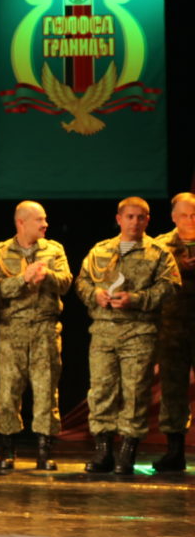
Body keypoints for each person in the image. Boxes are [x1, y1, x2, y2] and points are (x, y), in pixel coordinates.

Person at [77, 197, 181, 475]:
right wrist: (94, 294)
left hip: (139, 331)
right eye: (130, 217)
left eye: (140, 217)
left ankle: (127, 452)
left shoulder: (158, 253)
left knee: (135, 393)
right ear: (119, 219)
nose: (135, 222)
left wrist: (136, 299)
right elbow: (82, 281)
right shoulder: (100, 250)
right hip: (103, 331)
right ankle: (103, 452)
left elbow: (170, 286)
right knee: (101, 391)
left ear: (148, 220)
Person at [0, 201, 72, 470]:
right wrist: (23, 279)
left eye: (45, 219)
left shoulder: (54, 250)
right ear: (21, 222)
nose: (45, 224)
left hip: (45, 328)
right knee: (8, 391)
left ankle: (44, 450)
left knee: (47, 390)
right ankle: (7, 449)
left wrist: (46, 275)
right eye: (39, 220)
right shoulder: (0, 252)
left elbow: (66, 282)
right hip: (12, 329)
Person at [153, 193, 195, 472]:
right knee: (173, 389)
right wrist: (179, 267)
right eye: (184, 215)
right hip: (172, 329)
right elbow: (148, 279)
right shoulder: (160, 246)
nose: (190, 220)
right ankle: (175, 450)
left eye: (194, 215)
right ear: (173, 217)